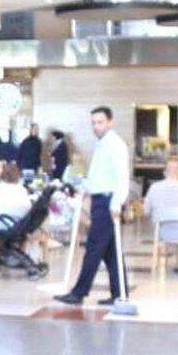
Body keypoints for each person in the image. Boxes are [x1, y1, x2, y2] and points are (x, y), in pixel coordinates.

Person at [55, 106, 131, 306]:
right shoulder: (102, 144)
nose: (96, 126)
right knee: (111, 252)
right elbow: (100, 174)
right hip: (99, 200)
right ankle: (119, 293)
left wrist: (117, 203)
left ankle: (79, 292)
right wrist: (87, 190)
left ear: (110, 123)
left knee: (94, 248)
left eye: (100, 122)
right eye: (94, 123)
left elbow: (122, 176)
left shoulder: (115, 144)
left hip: (107, 203)